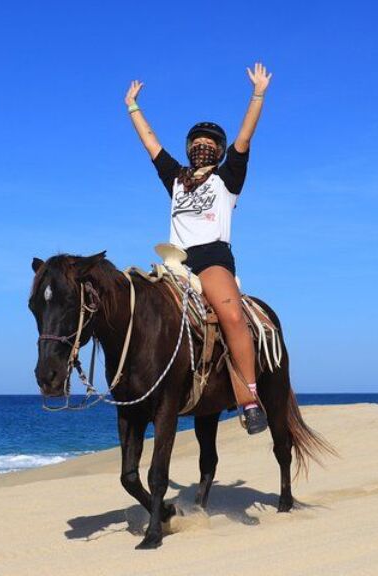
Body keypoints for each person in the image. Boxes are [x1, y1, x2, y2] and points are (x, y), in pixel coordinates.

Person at [125, 62, 272, 434]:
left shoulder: (227, 179)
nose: (203, 147)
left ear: (219, 152)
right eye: (197, 144)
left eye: (210, 145)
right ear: (189, 149)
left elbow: (245, 136)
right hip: (175, 261)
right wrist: (132, 106)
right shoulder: (175, 179)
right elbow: (151, 144)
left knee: (233, 316)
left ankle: (249, 397)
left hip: (212, 259)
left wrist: (257, 94)